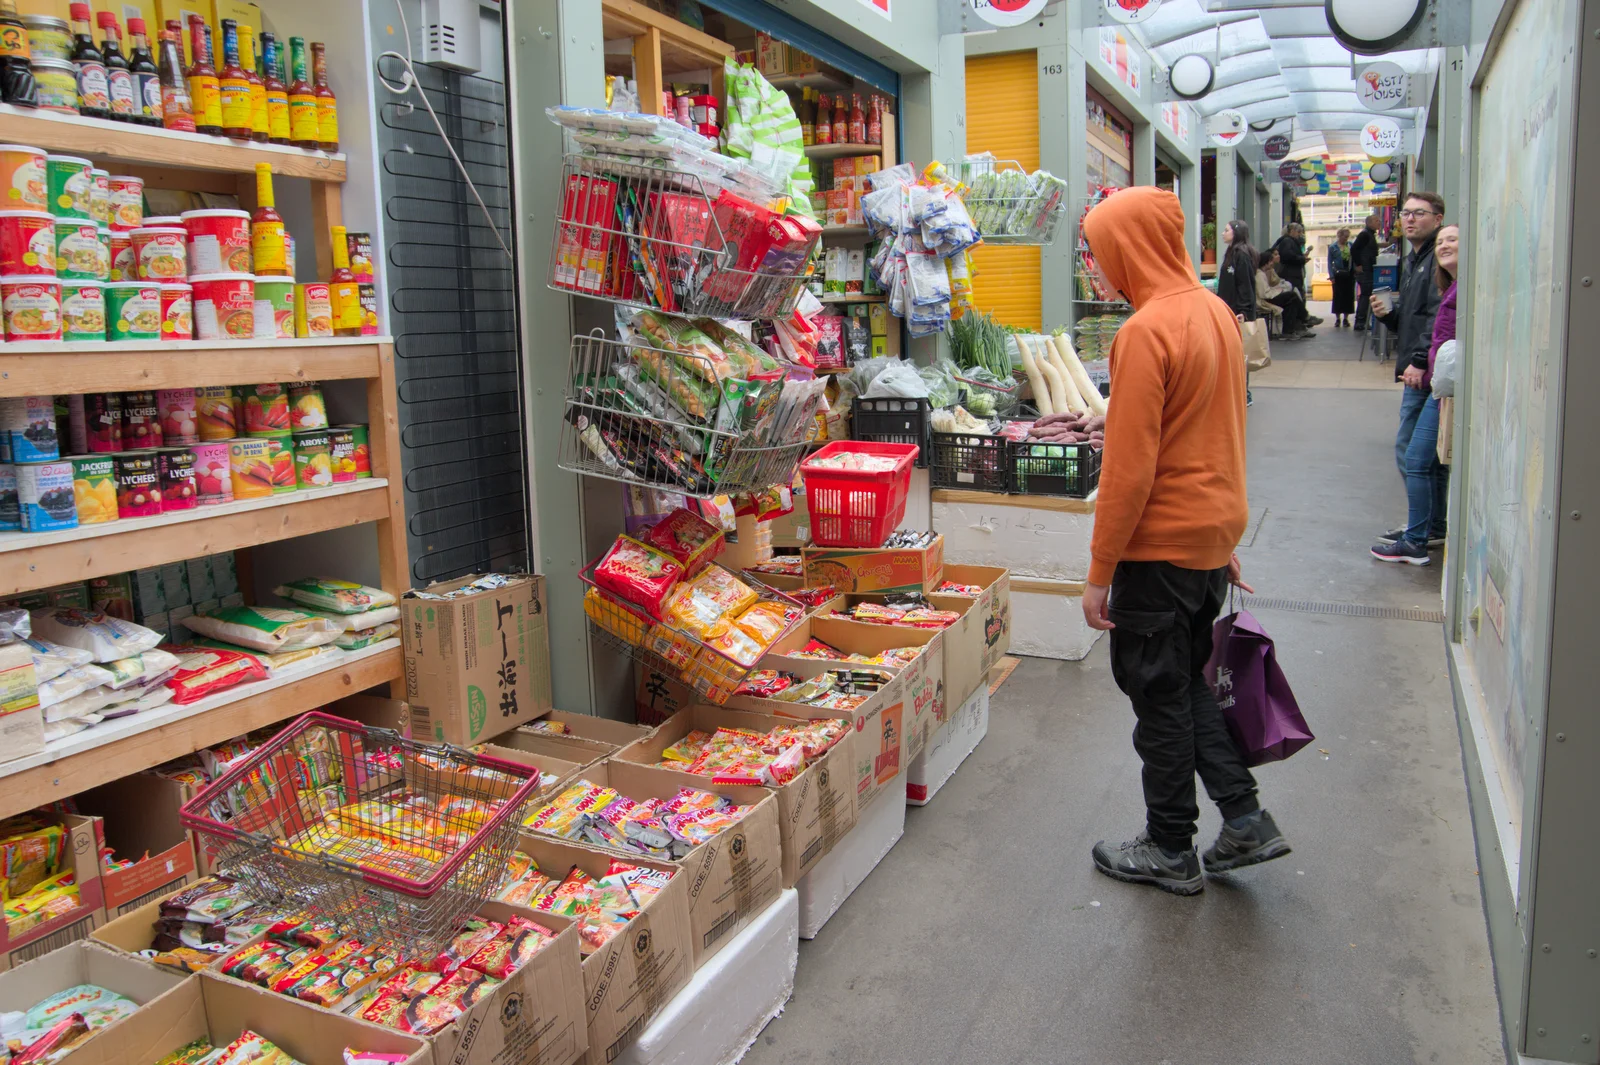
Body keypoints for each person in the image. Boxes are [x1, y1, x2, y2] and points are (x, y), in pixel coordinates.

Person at [1078, 186, 1289, 896]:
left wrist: (1099, 570)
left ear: (1128, 248)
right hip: (1205, 541)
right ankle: (1244, 815)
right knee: (1188, 682)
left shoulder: (1143, 332)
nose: (1097, 265)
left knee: (1158, 696)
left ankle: (1170, 845)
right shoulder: (1217, 314)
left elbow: (1129, 469)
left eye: (1100, 250)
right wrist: (1222, 535)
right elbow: (1223, 433)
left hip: (1157, 548)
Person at [1373, 222, 1456, 566]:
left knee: (1416, 459)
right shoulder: (1431, 274)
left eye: (1452, 239)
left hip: (1438, 384)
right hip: (1436, 382)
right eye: (1442, 242)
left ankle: (1416, 539)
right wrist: (1391, 317)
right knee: (1426, 460)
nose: (1444, 245)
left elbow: (1435, 331)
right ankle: (1431, 528)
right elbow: (1417, 322)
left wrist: (1420, 362)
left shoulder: (1454, 289)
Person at [1272, 223, 1320, 326]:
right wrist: (1301, 259)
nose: (1300, 235)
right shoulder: (1287, 241)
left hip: (1293, 275)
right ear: (1292, 231)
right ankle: (1300, 322)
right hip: (1291, 275)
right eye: (1299, 232)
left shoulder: (1288, 242)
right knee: (1296, 298)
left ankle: (1300, 323)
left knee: (1298, 297)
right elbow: (1288, 256)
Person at [1257, 248, 1310, 338]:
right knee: (1292, 295)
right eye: (1270, 261)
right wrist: (1278, 291)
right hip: (1265, 300)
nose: (1272, 263)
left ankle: (1288, 330)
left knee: (1292, 302)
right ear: (1266, 262)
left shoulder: (1266, 272)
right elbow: (1265, 293)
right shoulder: (1259, 274)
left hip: (1270, 296)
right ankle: (1305, 317)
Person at [1213, 219, 1257, 321]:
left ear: (1236, 233)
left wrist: (1244, 311)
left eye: (1226, 230)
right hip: (1228, 308)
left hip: (1236, 312)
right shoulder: (1231, 253)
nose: (1222, 233)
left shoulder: (1242, 255)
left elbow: (1245, 283)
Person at [1350, 214, 1381, 329]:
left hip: (1368, 268)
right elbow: (1354, 249)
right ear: (1369, 223)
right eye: (1376, 221)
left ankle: (1363, 321)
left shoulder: (1370, 235)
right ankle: (1360, 322)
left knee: (1367, 295)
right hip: (1365, 269)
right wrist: (1358, 264)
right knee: (1365, 295)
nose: (1379, 222)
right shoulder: (1364, 235)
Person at [1328, 227, 1355, 327]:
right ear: (1339, 236)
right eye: (1344, 237)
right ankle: (1337, 318)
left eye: (1347, 237)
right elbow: (1329, 262)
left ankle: (1346, 318)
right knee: (1338, 296)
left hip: (1348, 274)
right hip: (1338, 274)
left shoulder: (1350, 245)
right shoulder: (1333, 247)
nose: (1346, 239)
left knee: (1348, 296)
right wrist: (1331, 276)